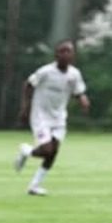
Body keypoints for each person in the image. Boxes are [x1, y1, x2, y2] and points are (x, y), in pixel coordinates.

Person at [13, 41, 90, 196]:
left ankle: (34, 186)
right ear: (56, 55)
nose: (66, 54)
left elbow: (78, 91)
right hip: (40, 116)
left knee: (53, 153)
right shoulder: (46, 71)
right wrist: (25, 107)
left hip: (59, 118)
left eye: (69, 51)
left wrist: (83, 99)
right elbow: (28, 85)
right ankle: (26, 150)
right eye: (63, 51)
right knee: (47, 149)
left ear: (73, 55)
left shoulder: (74, 74)